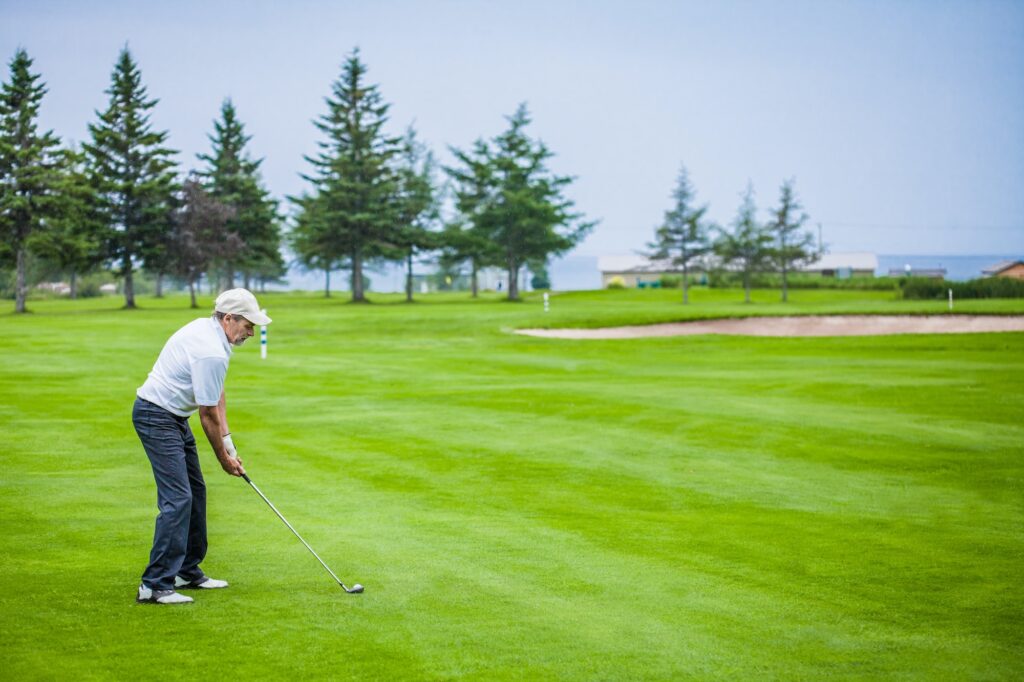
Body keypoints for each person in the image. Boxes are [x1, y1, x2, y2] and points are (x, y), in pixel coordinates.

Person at [133, 288, 271, 604]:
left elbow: (216, 394)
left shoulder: (214, 336)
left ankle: (185, 570)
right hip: (156, 416)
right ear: (228, 318)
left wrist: (228, 442)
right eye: (248, 324)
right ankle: (154, 584)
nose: (252, 331)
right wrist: (224, 460)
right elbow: (207, 414)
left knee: (195, 491)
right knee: (178, 498)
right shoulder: (211, 349)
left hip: (172, 417)